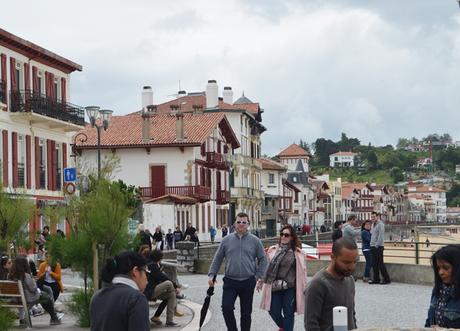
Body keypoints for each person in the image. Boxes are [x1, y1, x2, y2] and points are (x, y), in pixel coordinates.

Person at [208, 212, 268, 331]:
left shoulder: (255, 241)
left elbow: (263, 259)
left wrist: (259, 276)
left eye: (244, 222)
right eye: (238, 222)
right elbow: (218, 258)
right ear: (235, 224)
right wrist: (211, 274)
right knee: (226, 308)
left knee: (246, 314)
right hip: (230, 281)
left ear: (248, 224)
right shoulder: (226, 240)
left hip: (248, 281)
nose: (241, 224)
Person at [259, 225, 307, 331]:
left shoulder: (298, 253)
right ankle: (284, 328)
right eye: (282, 234)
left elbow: (302, 273)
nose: (283, 237)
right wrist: (261, 279)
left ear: (292, 237)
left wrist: (304, 287)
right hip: (275, 286)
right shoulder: (273, 250)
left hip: (290, 288)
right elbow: (266, 267)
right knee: (272, 310)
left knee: (288, 313)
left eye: (286, 235)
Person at [304, 237, 358, 331]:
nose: (351, 267)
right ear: (333, 257)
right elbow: (311, 324)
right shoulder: (318, 284)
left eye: (355, 262)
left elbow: (352, 315)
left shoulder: (350, 280)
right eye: (346, 262)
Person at [90, 251, 150, 331]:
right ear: (135, 271)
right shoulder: (136, 299)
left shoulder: (96, 297)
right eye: (146, 273)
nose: (147, 280)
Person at [10, 255, 63, 325]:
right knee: (46, 297)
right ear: (24, 264)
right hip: (27, 298)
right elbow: (33, 289)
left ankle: (54, 316)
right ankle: (54, 318)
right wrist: (34, 282)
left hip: (15, 299)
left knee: (44, 293)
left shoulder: (10, 275)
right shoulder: (25, 275)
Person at [144, 249, 183, 327]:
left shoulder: (152, 264)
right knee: (168, 283)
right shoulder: (152, 266)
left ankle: (168, 320)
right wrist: (175, 286)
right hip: (148, 292)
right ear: (159, 258)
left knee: (171, 295)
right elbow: (163, 277)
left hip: (152, 290)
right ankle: (175, 293)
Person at [425, 244, 460, 329]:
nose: (440, 272)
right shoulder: (438, 290)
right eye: (438, 268)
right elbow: (429, 321)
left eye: (446, 268)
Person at [368, 212, 391, 285]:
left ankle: (387, 279)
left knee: (381, 263)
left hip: (378, 247)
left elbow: (381, 236)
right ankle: (376, 279)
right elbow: (372, 234)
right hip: (373, 246)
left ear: (378, 217)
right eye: (371, 217)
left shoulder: (381, 225)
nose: (372, 218)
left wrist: (376, 245)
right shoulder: (373, 225)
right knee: (374, 264)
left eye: (374, 217)